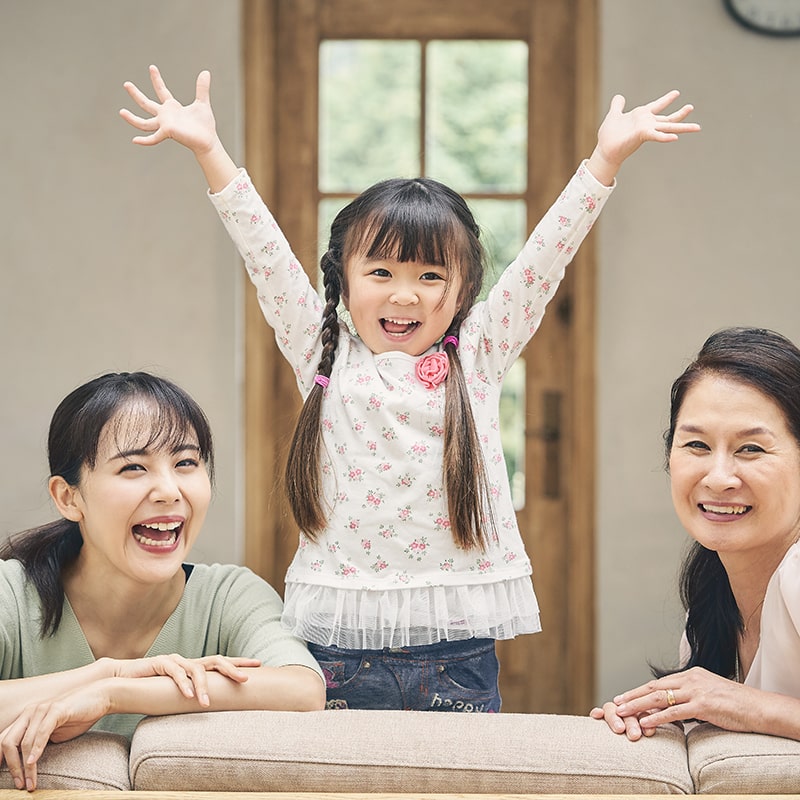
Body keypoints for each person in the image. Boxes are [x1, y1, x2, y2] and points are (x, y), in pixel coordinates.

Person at [120, 64, 699, 713]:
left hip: (456, 646)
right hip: (336, 643)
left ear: (462, 290)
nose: (404, 293)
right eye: (382, 271)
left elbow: (543, 260)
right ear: (345, 277)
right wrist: (209, 149)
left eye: (430, 275)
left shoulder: (475, 355)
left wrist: (604, 160)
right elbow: (264, 252)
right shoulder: (321, 349)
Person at [0, 371, 325, 792]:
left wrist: (116, 694)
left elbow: (301, 689)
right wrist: (110, 672)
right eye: (133, 467)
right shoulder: (12, 592)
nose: (169, 490)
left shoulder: (229, 596)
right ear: (69, 497)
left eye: (186, 463)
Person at [591, 327, 800, 742]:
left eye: (751, 449)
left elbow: (743, 708)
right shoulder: (712, 590)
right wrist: (656, 708)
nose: (719, 477)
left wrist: (741, 703)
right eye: (697, 446)